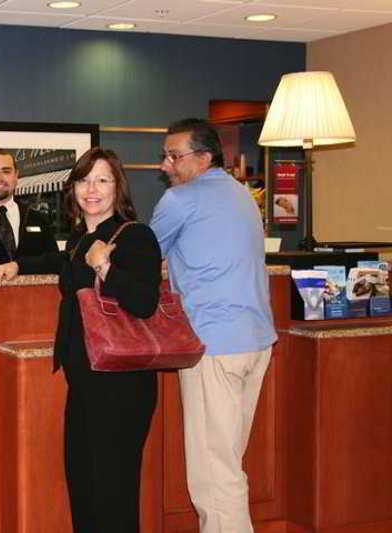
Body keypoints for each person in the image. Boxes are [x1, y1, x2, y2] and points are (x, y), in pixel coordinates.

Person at [0, 147, 162, 532]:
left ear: (119, 188)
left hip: (122, 385)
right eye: (83, 180)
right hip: (85, 379)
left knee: (113, 493)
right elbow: (61, 265)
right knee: (83, 485)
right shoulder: (83, 236)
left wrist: (105, 265)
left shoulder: (135, 236)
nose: (91, 189)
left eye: (102, 180)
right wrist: (18, 264)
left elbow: (146, 302)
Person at [149, 118, 277, 533]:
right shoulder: (242, 194)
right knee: (226, 460)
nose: (165, 165)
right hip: (255, 342)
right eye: (164, 155)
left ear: (204, 158)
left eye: (174, 156)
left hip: (214, 345)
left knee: (214, 470)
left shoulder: (180, 200)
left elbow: (140, 255)